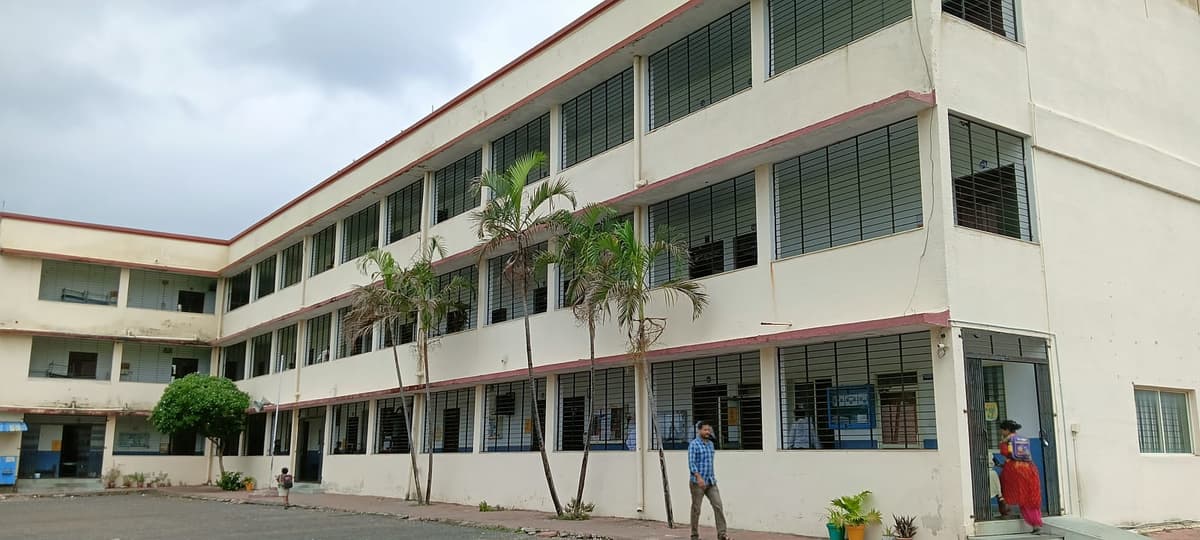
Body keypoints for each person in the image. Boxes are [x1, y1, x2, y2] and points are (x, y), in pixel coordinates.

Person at [998, 420, 1042, 532]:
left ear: (1007, 430)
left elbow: (1005, 453)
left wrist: (1002, 443)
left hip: (1015, 471)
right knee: (1029, 497)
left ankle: (1006, 511)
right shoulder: (1021, 439)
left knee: (1003, 490)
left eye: (1002, 429)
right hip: (1029, 469)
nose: (1001, 431)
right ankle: (1035, 523)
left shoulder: (1006, 441)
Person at [688, 421, 728, 540]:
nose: (707, 432)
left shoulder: (711, 444)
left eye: (709, 430)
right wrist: (698, 477)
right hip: (697, 483)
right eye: (705, 430)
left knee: (718, 506)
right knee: (696, 509)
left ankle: (722, 534)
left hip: (711, 481)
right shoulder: (694, 444)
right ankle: (694, 535)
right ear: (699, 430)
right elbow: (691, 463)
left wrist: (712, 436)